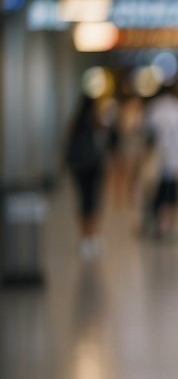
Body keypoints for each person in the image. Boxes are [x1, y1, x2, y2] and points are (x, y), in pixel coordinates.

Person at [142, 83, 178, 238]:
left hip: (158, 159)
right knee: (172, 192)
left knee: (158, 192)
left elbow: (148, 134)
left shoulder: (154, 107)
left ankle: (159, 223)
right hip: (176, 159)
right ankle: (167, 225)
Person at [63, 93, 107, 259]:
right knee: (93, 200)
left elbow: (68, 145)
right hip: (94, 166)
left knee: (83, 200)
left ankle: (84, 238)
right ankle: (93, 236)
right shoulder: (96, 123)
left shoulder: (75, 123)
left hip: (79, 167)